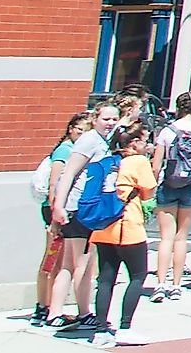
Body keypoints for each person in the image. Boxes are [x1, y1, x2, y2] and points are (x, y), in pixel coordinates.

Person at [83, 123, 157, 348]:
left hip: (103, 228)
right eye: (145, 141)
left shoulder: (108, 162)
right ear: (134, 143)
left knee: (106, 279)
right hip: (128, 227)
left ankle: (100, 330)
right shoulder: (139, 161)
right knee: (137, 275)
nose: (148, 145)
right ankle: (125, 327)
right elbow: (148, 192)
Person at [49, 99, 121, 328]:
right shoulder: (89, 142)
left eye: (114, 119)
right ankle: (81, 313)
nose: (110, 123)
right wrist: (58, 207)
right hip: (80, 207)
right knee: (82, 264)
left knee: (73, 264)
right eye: (105, 119)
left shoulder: (102, 140)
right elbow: (68, 173)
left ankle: (58, 312)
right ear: (95, 119)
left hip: (82, 206)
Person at [30, 112, 94, 330]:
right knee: (52, 260)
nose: (82, 135)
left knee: (58, 261)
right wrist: (55, 217)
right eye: (79, 130)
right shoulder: (64, 151)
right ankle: (42, 307)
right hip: (54, 210)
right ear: (70, 129)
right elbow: (53, 185)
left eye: (86, 131)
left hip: (60, 209)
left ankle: (48, 307)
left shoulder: (75, 150)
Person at [152, 91, 191, 300]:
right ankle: (176, 284)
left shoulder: (167, 132)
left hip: (168, 184)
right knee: (181, 237)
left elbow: (157, 164)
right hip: (190, 185)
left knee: (165, 237)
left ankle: (160, 283)